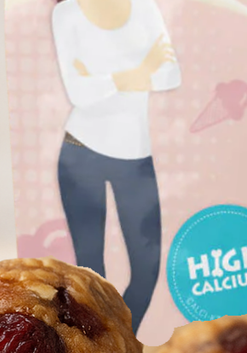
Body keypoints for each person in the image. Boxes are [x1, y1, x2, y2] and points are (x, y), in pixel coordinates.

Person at [52, 0, 181, 334]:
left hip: (135, 157)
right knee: (90, 273)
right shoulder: (67, 13)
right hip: (80, 152)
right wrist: (140, 69)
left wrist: (104, 79)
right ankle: (104, 349)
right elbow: (79, 93)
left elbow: (170, 74)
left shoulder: (144, 8)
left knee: (147, 269)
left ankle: (118, 344)